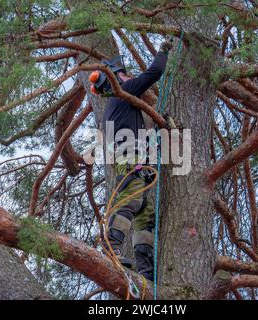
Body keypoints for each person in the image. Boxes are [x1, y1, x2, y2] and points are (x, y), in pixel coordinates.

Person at [89, 41, 173, 281]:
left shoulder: (120, 107)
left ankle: (146, 271)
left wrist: (160, 122)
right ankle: (110, 246)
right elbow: (155, 72)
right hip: (130, 157)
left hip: (137, 159)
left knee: (145, 213)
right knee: (131, 199)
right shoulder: (122, 93)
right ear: (115, 79)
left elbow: (142, 127)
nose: (128, 78)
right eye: (124, 75)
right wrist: (163, 51)